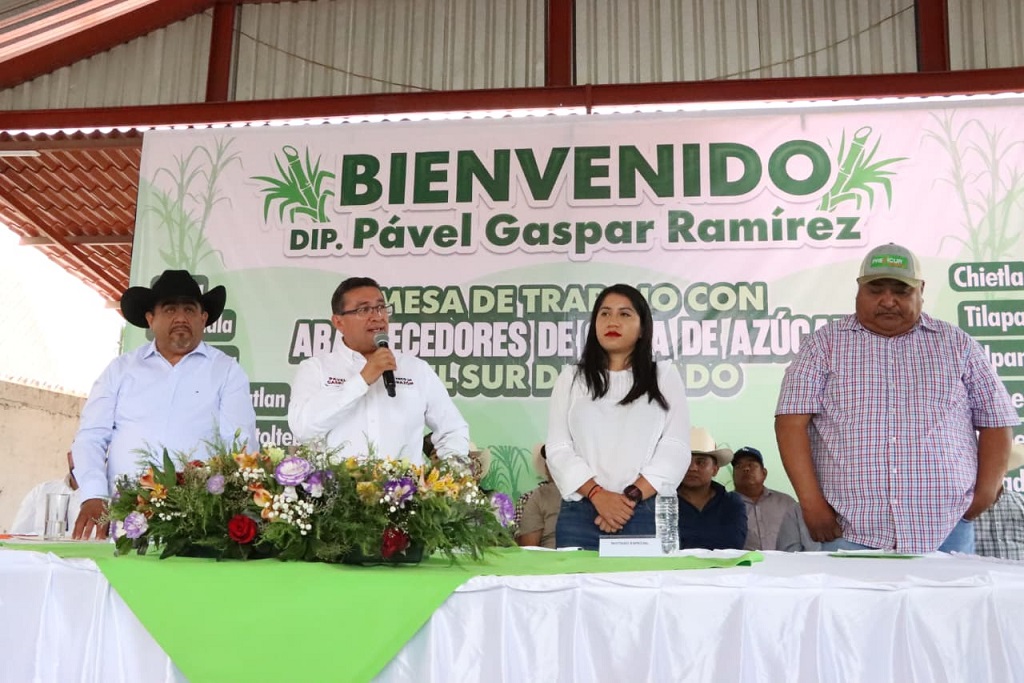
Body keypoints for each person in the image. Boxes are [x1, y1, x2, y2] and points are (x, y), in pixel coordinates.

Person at [776, 244, 1020, 554]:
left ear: (921, 290)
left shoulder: (958, 345)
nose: (888, 300)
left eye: (901, 291)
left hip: (945, 528)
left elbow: (997, 421)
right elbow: (791, 422)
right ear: (858, 290)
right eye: (876, 289)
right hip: (849, 527)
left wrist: (985, 493)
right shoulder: (823, 345)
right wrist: (811, 504)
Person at [72, 270, 258, 539]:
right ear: (151, 319)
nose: (180, 318)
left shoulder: (227, 371)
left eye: (189, 309)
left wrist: (226, 508)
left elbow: (240, 447)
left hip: (197, 522)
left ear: (203, 318)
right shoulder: (120, 370)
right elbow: (90, 437)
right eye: (170, 309)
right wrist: (93, 494)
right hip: (122, 520)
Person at [546, 283, 690, 551]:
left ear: (642, 328)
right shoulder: (571, 378)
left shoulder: (664, 376)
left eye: (624, 314)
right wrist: (598, 495)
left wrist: (628, 499)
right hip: (580, 514)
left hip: (643, 511)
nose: (612, 321)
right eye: (605, 313)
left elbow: (676, 448)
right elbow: (558, 449)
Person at [288, 276, 470, 466]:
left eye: (381, 307)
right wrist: (362, 379)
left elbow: (453, 429)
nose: (377, 316)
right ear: (339, 322)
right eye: (363, 309)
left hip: (405, 484)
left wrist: (450, 473)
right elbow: (303, 429)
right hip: (338, 484)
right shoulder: (316, 369)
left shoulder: (415, 369)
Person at [731, 446, 813, 551]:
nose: (746, 469)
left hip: (785, 561)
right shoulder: (725, 505)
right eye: (738, 466)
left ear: (764, 473)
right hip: (743, 561)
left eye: (752, 465)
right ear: (733, 475)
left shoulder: (787, 503)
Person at [677, 427, 747, 550]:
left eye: (701, 462)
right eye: (686, 461)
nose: (692, 468)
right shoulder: (663, 501)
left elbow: (734, 543)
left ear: (715, 469)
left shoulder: (731, 502)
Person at [10, 451, 82, 535]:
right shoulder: (41, 491)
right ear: (69, 457)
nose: (84, 461)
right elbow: (17, 536)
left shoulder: (96, 498)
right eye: (79, 453)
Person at [974, 444, 1024, 560]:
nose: (989, 472)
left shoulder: (1021, 504)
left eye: (996, 466)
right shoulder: (960, 508)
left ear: (1005, 470)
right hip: (974, 572)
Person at [515, 444, 560, 549]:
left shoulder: (535, 496)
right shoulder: (532, 497)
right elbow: (529, 546)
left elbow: (528, 547)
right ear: (546, 467)